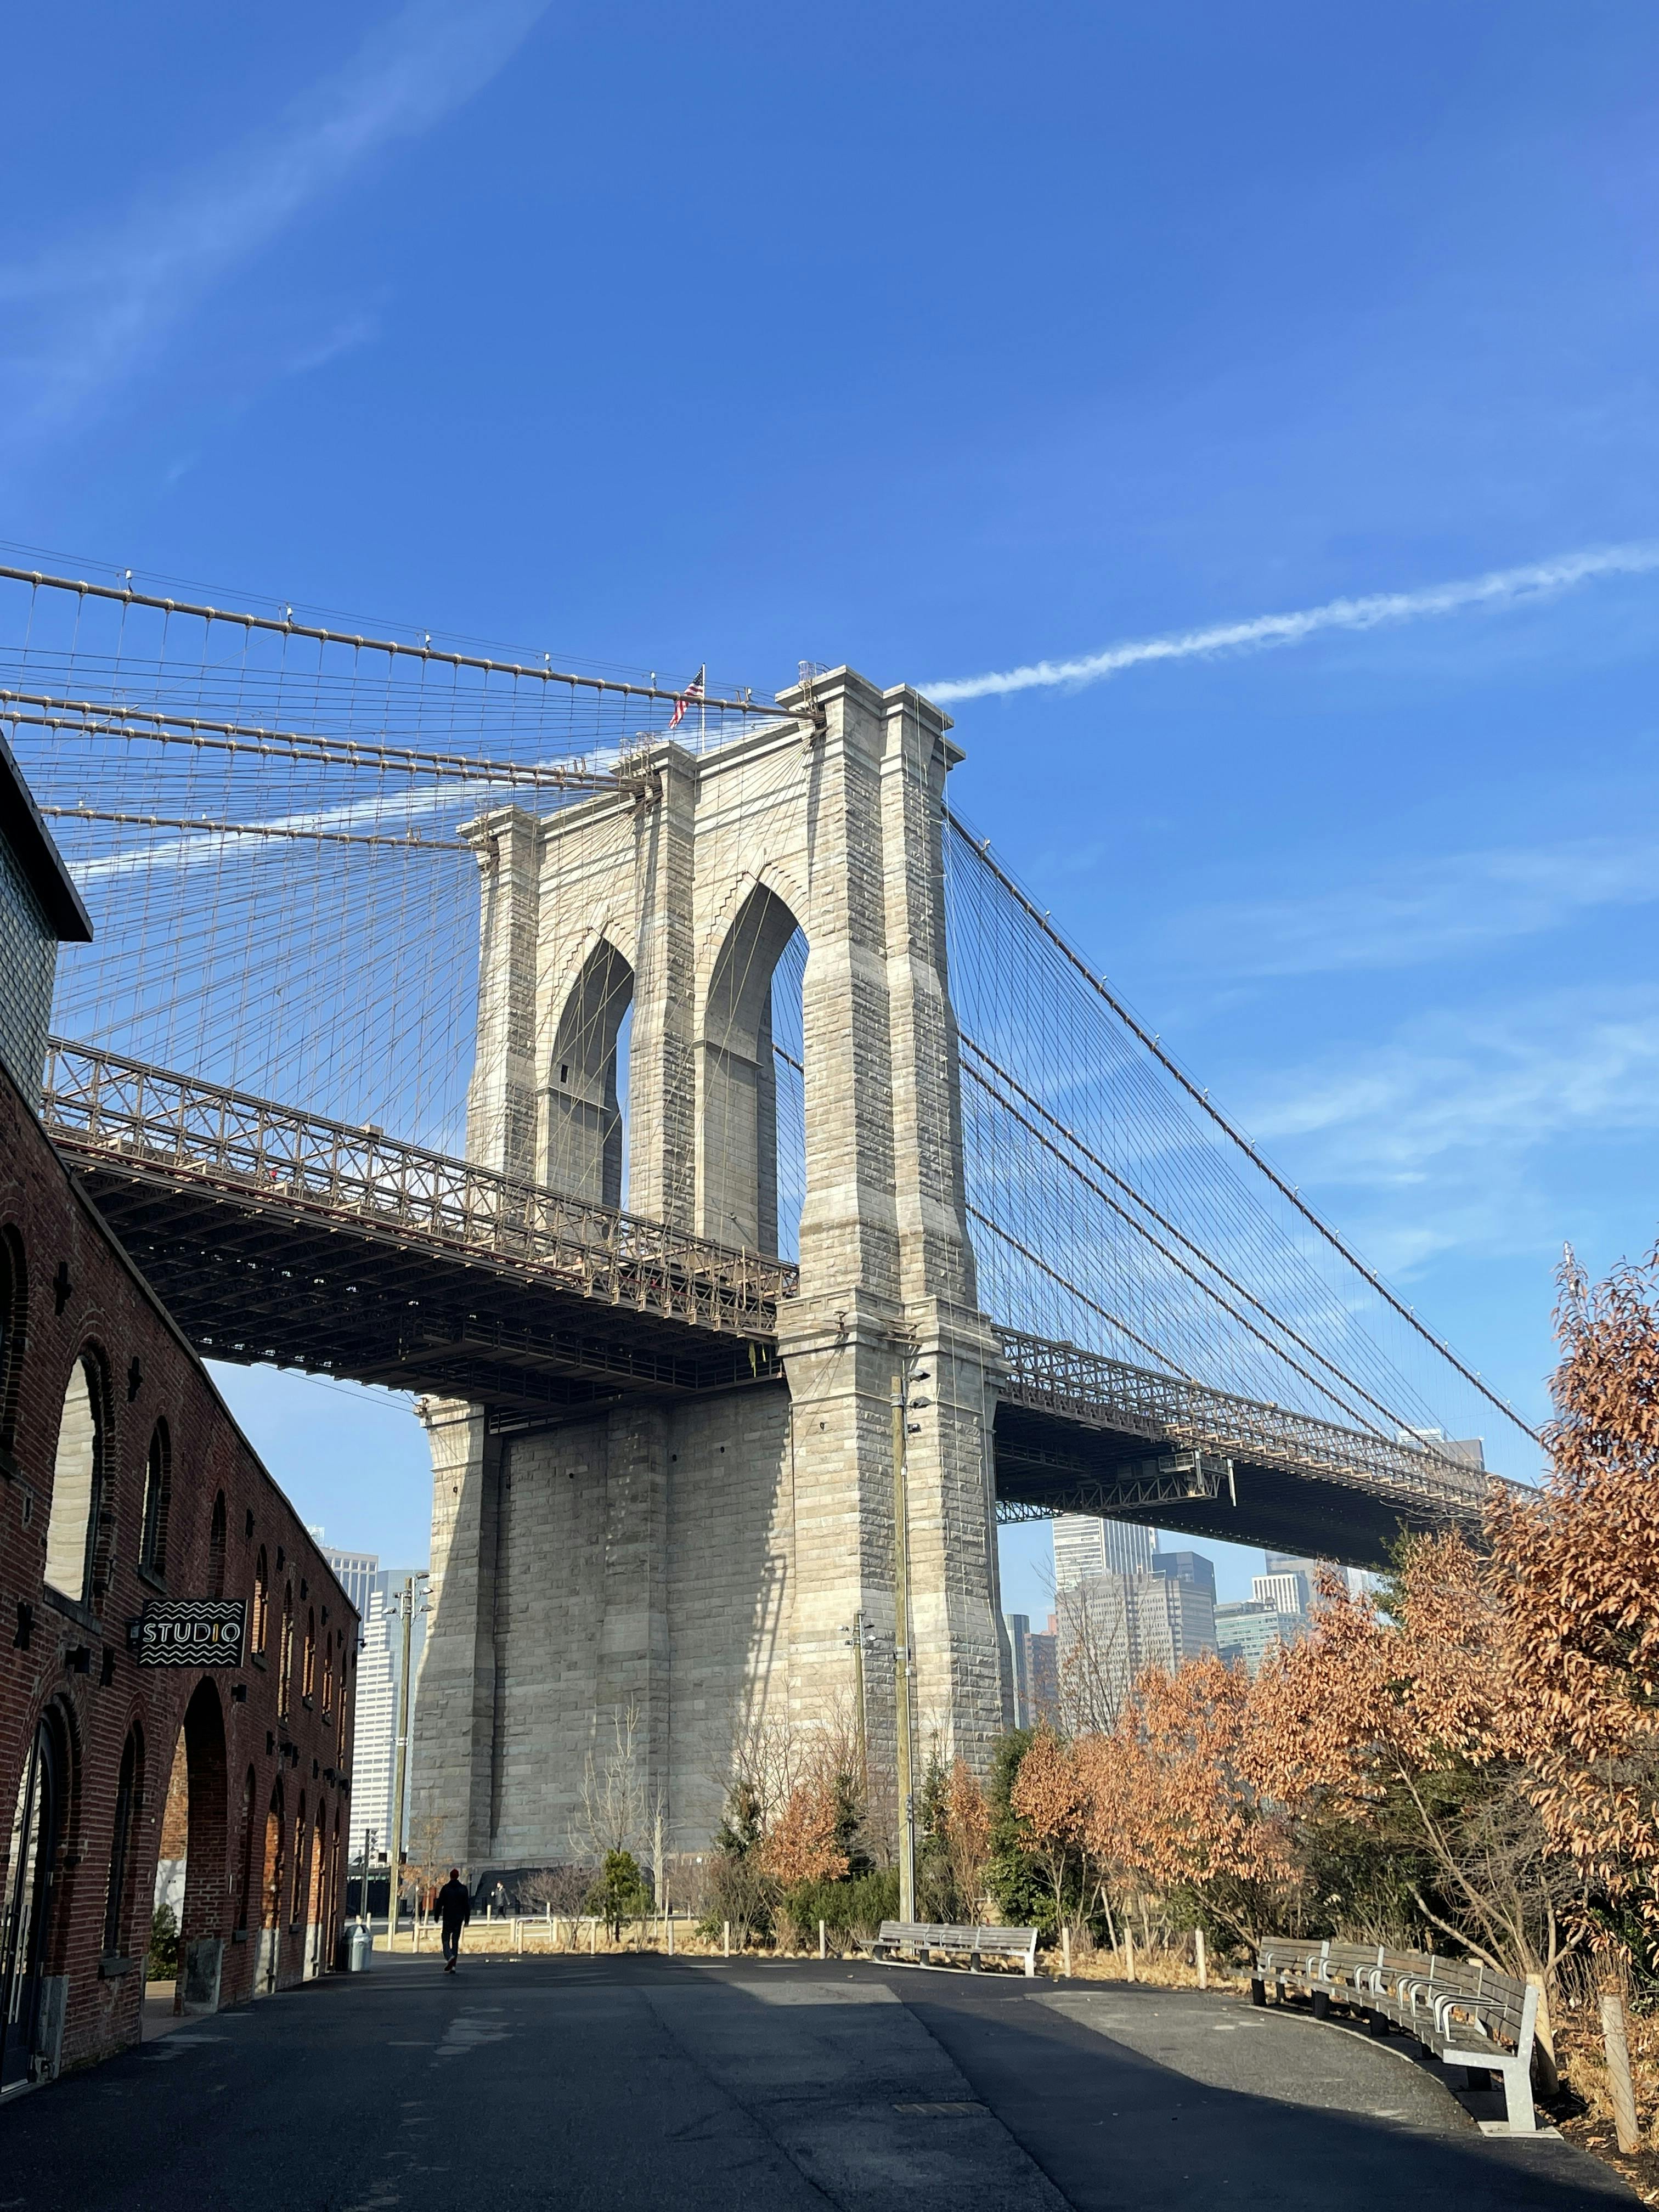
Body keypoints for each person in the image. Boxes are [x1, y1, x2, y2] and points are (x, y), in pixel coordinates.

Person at [435, 1868, 470, 1973]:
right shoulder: (463, 1889)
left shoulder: (446, 1889)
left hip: (448, 1917)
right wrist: (467, 1919)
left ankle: (449, 1957)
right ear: (458, 1876)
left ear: (450, 1876)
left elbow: (440, 1903)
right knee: (455, 1941)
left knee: (445, 1938)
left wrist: (437, 1916)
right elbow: (466, 1905)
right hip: (459, 1918)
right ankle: (453, 1966)